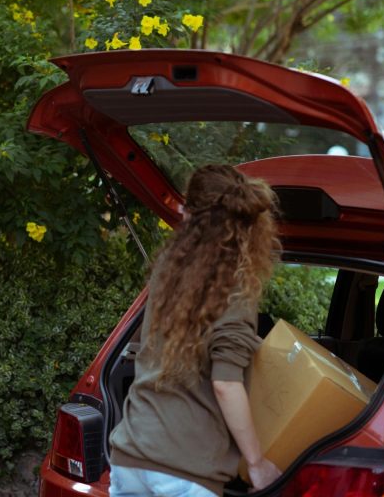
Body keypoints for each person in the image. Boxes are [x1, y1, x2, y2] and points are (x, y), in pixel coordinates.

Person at [108, 164, 282, 497]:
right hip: (184, 471)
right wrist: (257, 463)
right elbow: (225, 384)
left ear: (191, 216)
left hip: (131, 453)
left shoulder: (168, 273)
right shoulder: (236, 292)